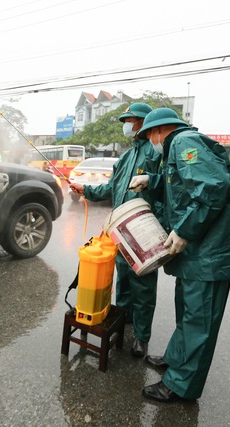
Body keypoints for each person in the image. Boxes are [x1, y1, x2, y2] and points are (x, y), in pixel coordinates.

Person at [130, 108, 230, 402]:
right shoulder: (176, 149)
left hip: (209, 253)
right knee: (187, 311)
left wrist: (184, 230)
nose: (149, 141)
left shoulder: (184, 142)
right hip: (197, 253)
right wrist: (152, 181)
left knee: (199, 320)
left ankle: (180, 385)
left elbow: (213, 188)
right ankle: (175, 359)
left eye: (149, 135)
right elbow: (185, 187)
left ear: (159, 131)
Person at [69, 102, 161, 357]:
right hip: (119, 230)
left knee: (143, 284)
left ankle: (142, 337)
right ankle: (124, 318)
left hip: (144, 230)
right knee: (123, 279)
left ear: (142, 123)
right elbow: (110, 189)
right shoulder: (126, 157)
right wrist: (84, 189)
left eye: (129, 121)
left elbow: (166, 187)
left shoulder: (155, 154)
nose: (126, 127)